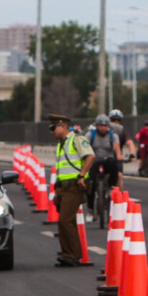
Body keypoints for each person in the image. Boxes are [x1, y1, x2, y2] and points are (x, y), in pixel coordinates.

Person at [50, 113, 95, 267]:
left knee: (65, 220)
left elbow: (90, 157)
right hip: (63, 187)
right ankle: (71, 254)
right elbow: (61, 169)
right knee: (67, 222)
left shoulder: (77, 139)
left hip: (74, 186)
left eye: (53, 128)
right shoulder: (61, 144)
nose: (52, 131)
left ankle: (70, 255)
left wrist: (82, 176)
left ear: (63, 127)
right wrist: (57, 190)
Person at [85, 114, 123, 219]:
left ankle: (111, 187)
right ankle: (90, 210)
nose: (103, 128)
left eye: (105, 125)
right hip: (94, 160)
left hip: (108, 160)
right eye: (100, 126)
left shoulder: (112, 135)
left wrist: (119, 155)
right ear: (97, 126)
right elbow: (84, 146)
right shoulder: (90, 135)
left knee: (114, 166)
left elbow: (116, 147)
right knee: (90, 184)